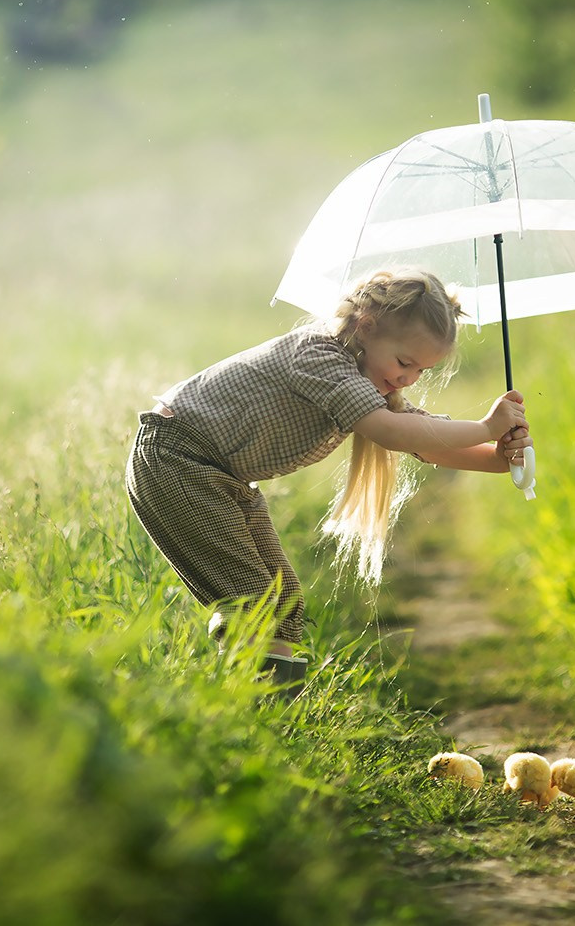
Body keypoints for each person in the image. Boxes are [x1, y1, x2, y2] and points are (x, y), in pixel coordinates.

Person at [125, 269, 531, 689]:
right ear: (365, 326)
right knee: (251, 598)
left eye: (421, 371)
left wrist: (499, 459)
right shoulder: (318, 356)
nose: (409, 379)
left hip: (220, 475)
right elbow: (392, 432)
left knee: (282, 601)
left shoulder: (363, 379)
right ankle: (241, 710)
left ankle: (272, 711)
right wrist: (485, 428)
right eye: (405, 362)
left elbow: (422, 439)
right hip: (178, 460)